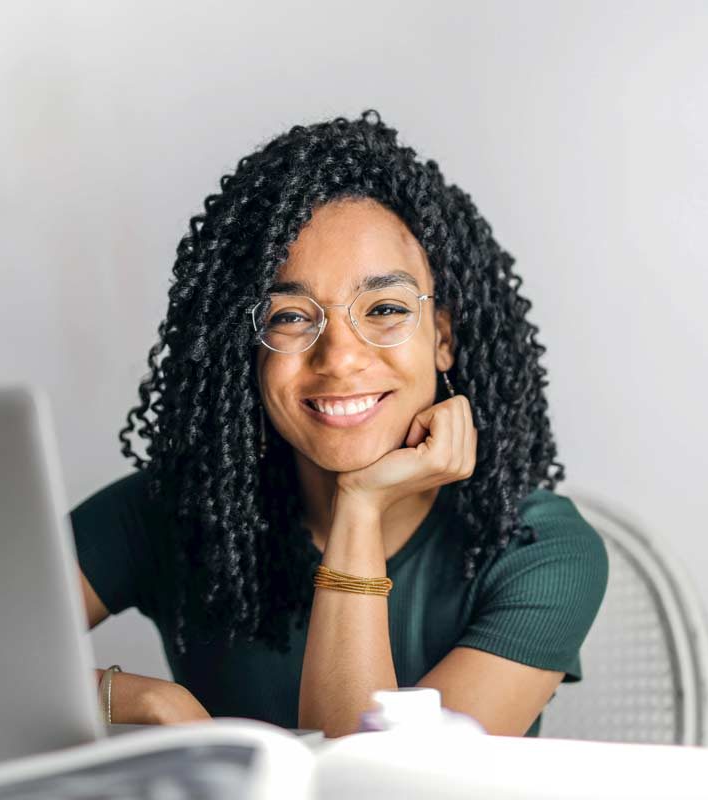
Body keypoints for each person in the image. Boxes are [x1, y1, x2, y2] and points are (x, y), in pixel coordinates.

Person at [71, 109, 609, 739]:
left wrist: (360, 506)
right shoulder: (173, 510)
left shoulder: (537, 549)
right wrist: (142, 701)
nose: (341, 357)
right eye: (291, 317)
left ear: (443, 337)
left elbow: (374, 785)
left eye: (384, 308)